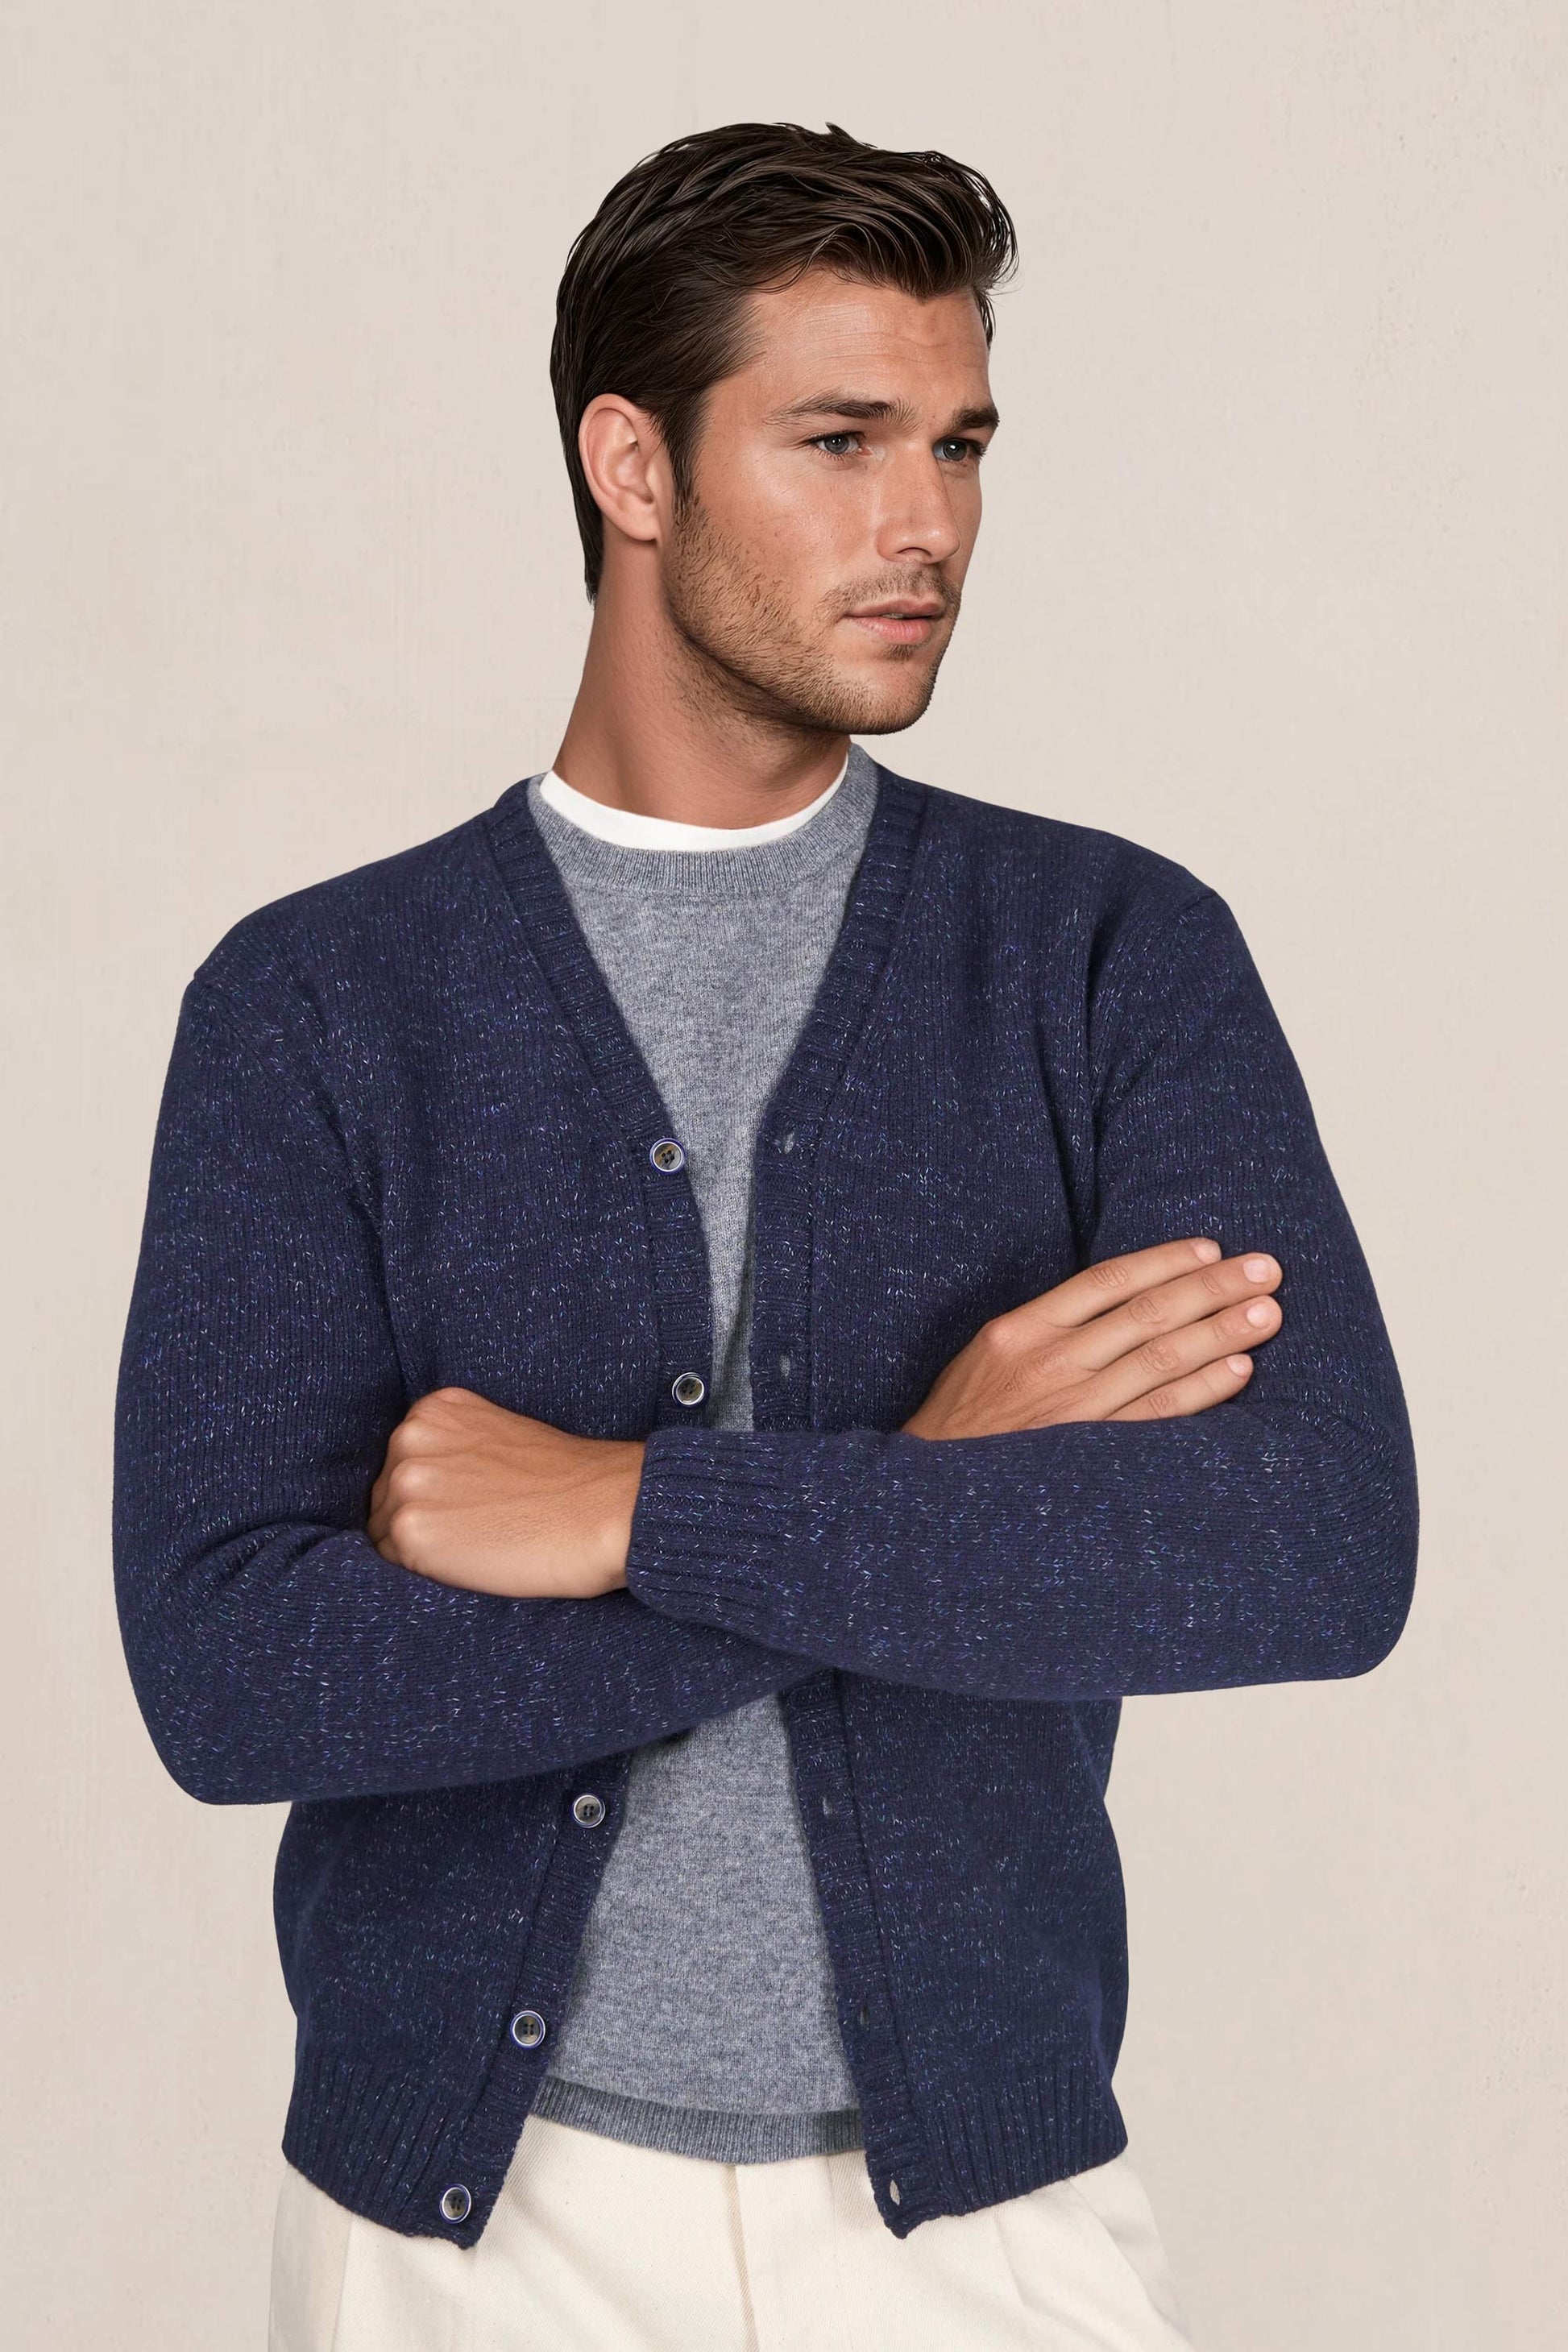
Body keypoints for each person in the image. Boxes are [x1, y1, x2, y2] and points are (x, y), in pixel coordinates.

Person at [114, 122, 1418, 2351]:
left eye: (960, 445)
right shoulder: (323, 1003)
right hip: (461, 2235)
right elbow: (238, 1679)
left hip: (979, 2219)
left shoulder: (1103, 956)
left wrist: (632, 1510)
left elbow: (1310, 1549)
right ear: (632, 466)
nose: (929, 524)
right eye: (839, 441)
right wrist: (931, 1482)